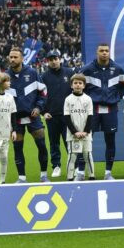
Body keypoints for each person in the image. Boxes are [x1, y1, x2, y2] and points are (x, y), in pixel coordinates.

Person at [80, 43, 124, 180]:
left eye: (106, 51)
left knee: (110, 141)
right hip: (92, 110)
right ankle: (81, 172)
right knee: (87, 140)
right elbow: (78, 86)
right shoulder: (87, 69)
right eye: (101, 50)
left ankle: (108, 173)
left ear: (109, 52)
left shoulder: (118, 69)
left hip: (111, 109)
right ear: (97, 52)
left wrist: (116, 97)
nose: (104, 53)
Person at [7, 47, 49, 183]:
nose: (12, 59)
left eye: (15, 57)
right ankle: (22, 178)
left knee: (41, 145)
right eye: (11, 57)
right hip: (15, 120)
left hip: (33, 116)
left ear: (22, 59)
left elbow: (43, 92)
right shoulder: (5, 76)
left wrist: (38, 107)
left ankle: (43, 175)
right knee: (17, 147)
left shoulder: (32, 73)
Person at [41, 49, 74, 178]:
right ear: (47, 61)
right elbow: (40, 96)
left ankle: (74, 166)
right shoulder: (44, 76)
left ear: (60, 59)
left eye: (55, 59)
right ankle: (56, 166)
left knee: (70, 142)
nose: (53, 61)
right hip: (51, 115)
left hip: (68, 115)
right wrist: (43, 112)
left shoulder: (70, 72)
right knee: (54, 143)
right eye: (50, 59)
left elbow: (76, 92)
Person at [63, 74, 93, 181]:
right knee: (72, 156)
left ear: (84, 85)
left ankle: (91, 177)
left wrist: (86, 131)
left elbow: (90, 116)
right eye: (75, 83)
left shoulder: (88, 99)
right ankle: (70, 178)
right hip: (73, 134)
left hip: (86, 134)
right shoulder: (68, 99)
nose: (78, 85)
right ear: (71, 85)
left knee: (88, 155)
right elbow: (67, 117)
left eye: (80, 83)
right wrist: (75, 132)